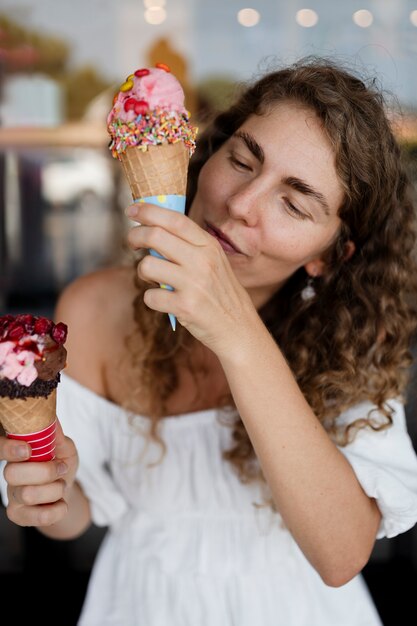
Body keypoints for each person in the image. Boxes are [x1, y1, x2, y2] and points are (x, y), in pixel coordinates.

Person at [2, 56, 417, 626]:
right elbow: (74, 516)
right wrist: (47, 494)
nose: (241, 205)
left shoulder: (351, 345)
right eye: (243, 160)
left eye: (294, 204)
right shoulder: (93, 309)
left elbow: (341, 555)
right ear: (209, 155)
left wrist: (237, 331)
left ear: (327, 256)